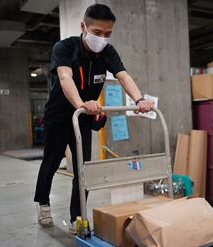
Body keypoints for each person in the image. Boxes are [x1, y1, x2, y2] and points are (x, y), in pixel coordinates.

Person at [33, 4, 154, 233]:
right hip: (59, 116)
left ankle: (76, 217)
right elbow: (65, 77)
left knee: (83, 171)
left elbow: (123, 76)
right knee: (50, 163)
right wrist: (80, 104)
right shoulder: (64, 47)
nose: (102, 39)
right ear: (83, 27)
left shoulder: (108, 52)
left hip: (84, 118)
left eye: (107, 34)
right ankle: (43, 203)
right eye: (97, 33)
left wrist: (139, 100)